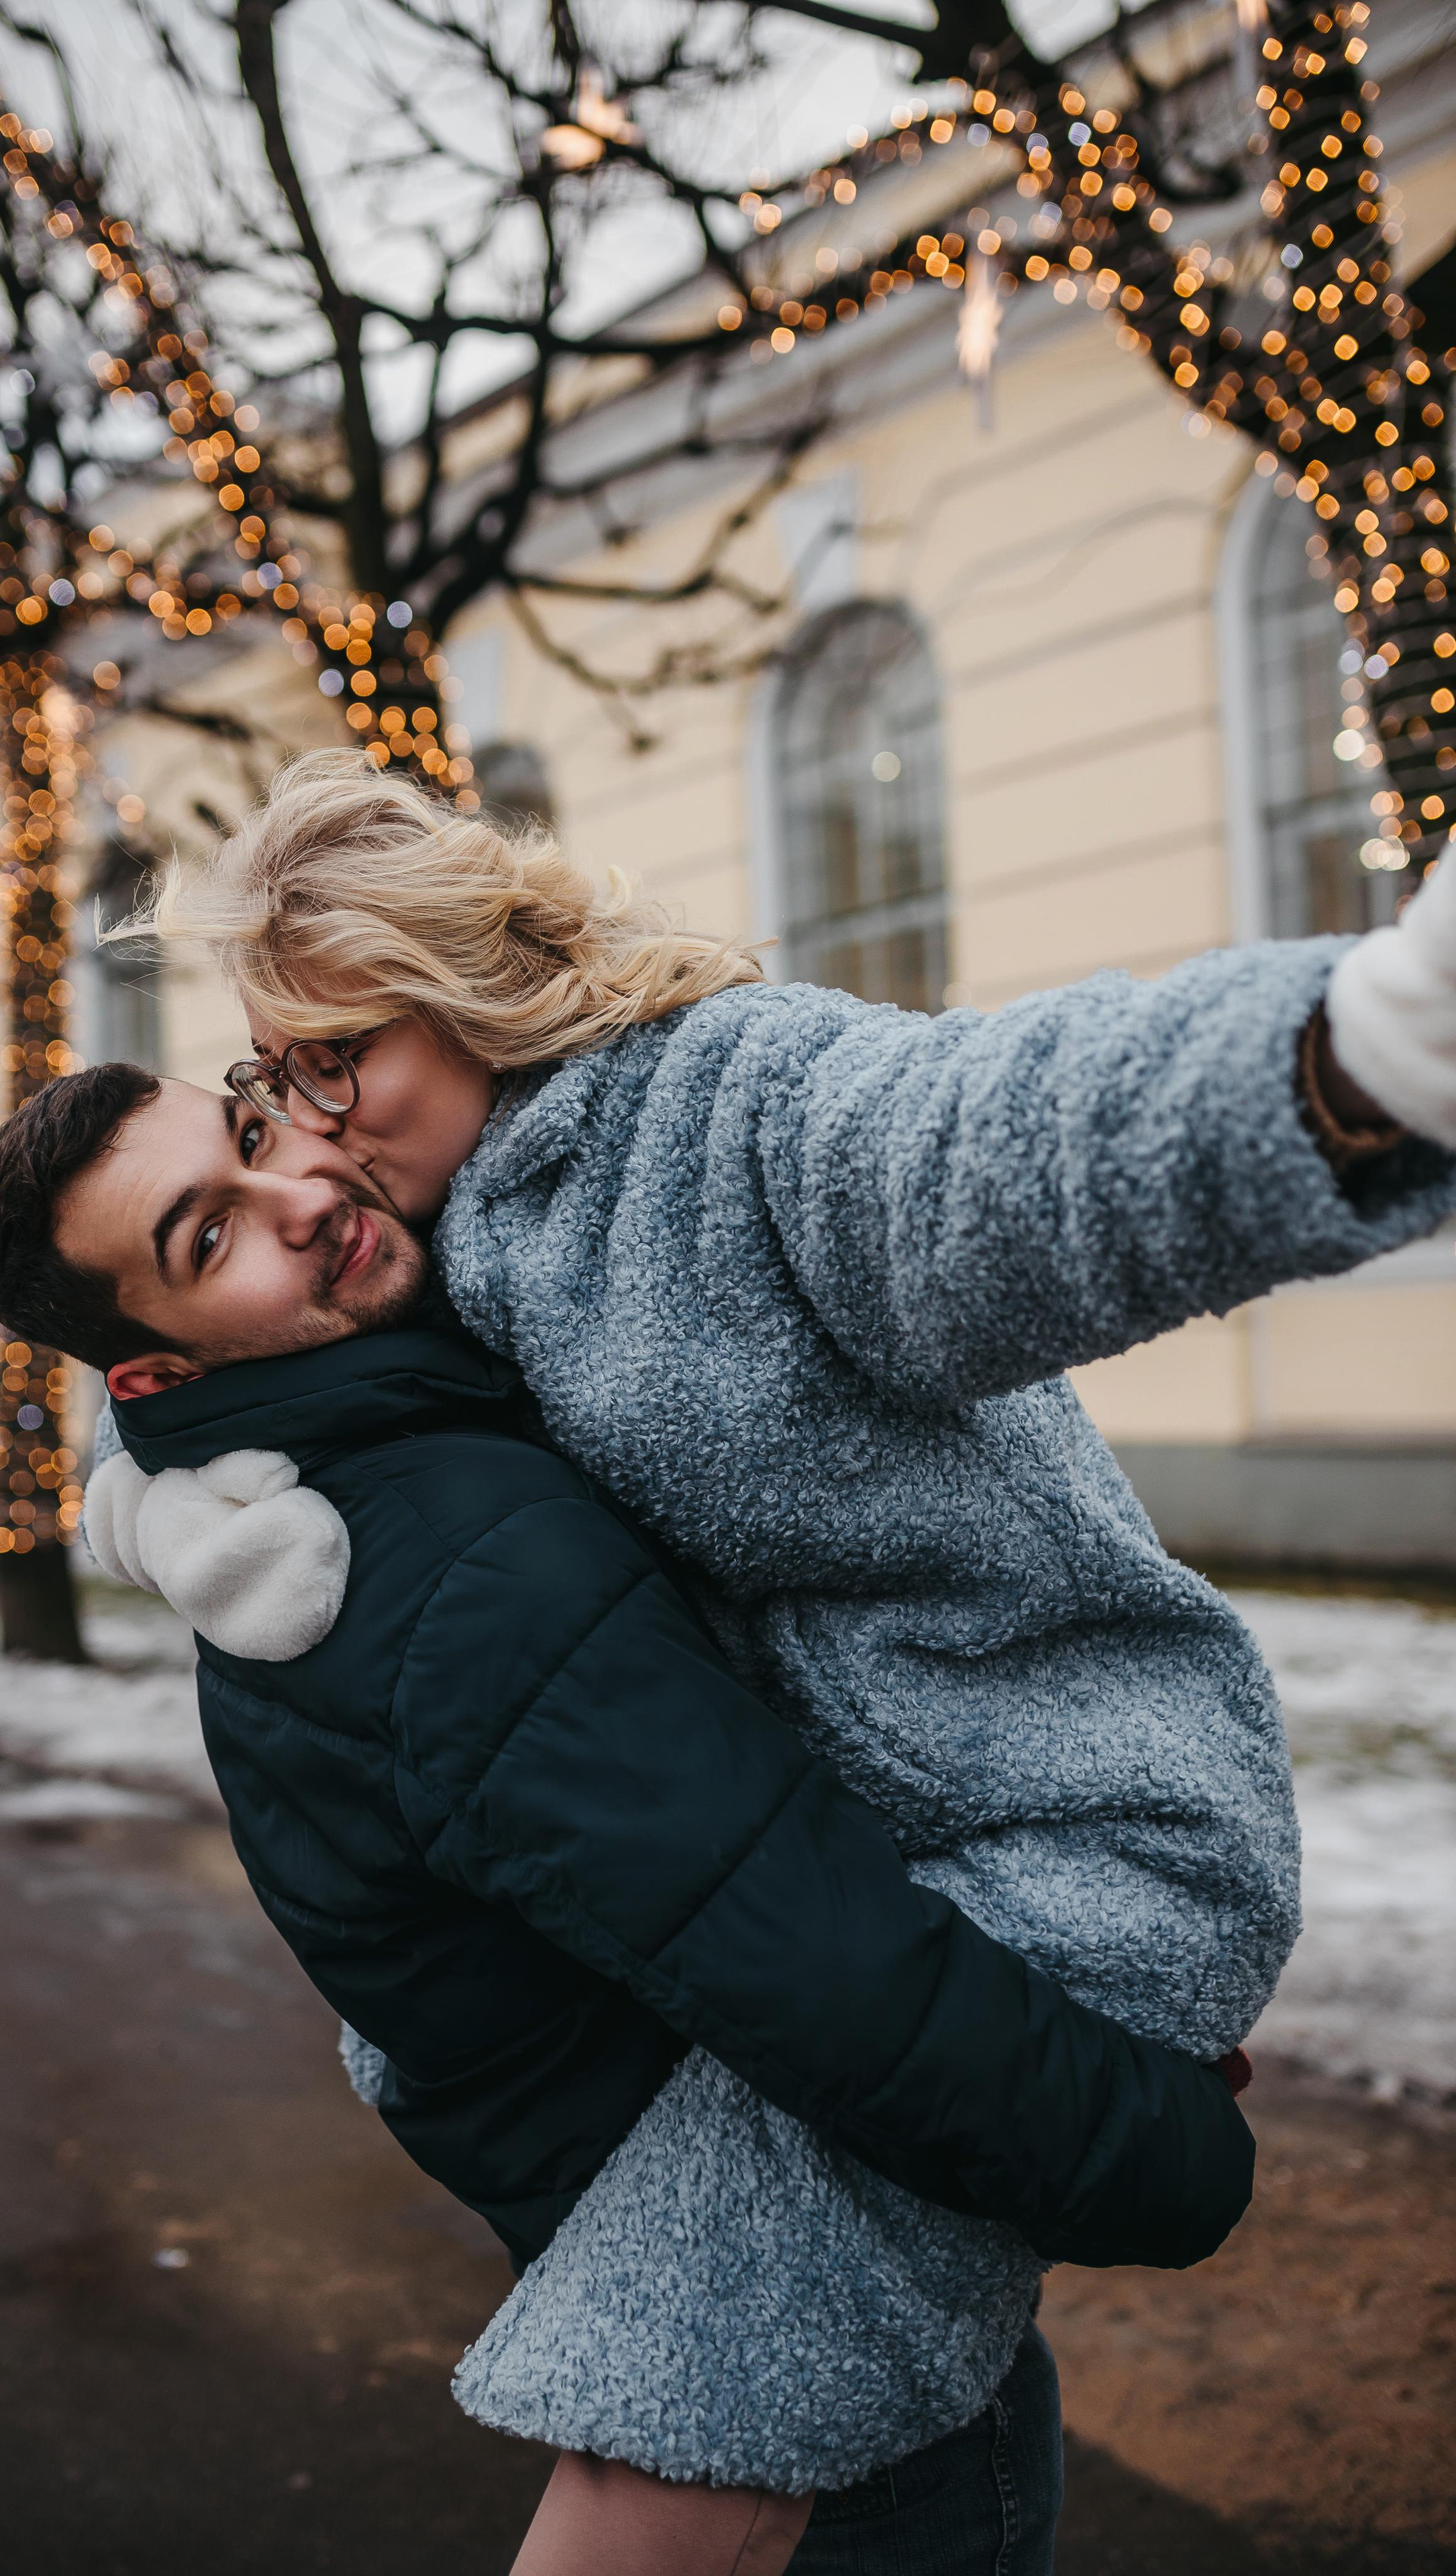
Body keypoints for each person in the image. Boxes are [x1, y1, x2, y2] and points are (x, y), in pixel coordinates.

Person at [94, 745, 1456, 2563]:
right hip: (850, 1926)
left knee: (645, 2477)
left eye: (345, 1059)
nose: (316, 1130)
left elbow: (998, 1140)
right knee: (907, 2471)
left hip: (1063, 1852)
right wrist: (160, 1474)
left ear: (463, 989)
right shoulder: (435, 1253)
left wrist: (1360, 1056)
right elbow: (240, 1362)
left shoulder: (718, 1117)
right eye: (280, 1078)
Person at [0, 1062, 1258, 2576]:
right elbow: (811, 1964)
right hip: (771, 2298)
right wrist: (1157, 2143)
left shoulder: (319, 1491)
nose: (305, 1201)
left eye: (255, 1138)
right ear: (156, 1378)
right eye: (209, 1238)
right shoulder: (445, 1567)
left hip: (701, 2232)